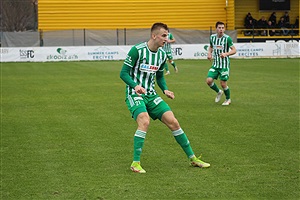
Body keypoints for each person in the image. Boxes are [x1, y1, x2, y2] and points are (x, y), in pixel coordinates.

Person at [120, 22, 210, 173]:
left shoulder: (162, 55)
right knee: (144, 120)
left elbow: (160, 76)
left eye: (167, 36)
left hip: (151, 94)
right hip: (134, 93)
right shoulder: (137, 50)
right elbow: (123, 73)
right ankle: (135, 163)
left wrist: (166, 89)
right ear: (154, 36)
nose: (166, 39)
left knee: (173, 122)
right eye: (163, 36)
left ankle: (193, 158)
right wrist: (135, 86)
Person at [206, 21, 236, 106]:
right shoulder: (212, 37)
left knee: (223, 83)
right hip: (215, 65)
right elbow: (211, 47)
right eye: (219, 28)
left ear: (224, 29)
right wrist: (209, 53)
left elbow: (234, 50)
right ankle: (219, 92)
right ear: (216, 29)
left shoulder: (227, 38)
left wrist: (226, 54)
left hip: (224, 65)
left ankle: (228, 99)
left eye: (223, 28)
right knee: (208, 81)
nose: (221, 29)